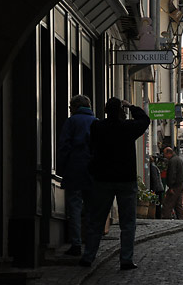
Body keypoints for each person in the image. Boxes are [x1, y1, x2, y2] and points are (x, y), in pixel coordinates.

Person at [79, 98, 150, 270]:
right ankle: (126, 259)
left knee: (96, 220)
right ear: (121, 111)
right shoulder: (128, 128)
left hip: (102, 178)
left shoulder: (97, 127)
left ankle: (88, 256)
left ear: (105, 111)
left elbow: (90, 146)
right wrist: (131, 106)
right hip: (126, 179)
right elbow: (145, 120)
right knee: (128, 223)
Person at [57, 94, 96, 256]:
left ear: (74, 107)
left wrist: (62, 167)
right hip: (93, 171)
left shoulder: (71, 121)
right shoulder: (96, 122)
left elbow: (64, 146)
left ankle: (76, 244)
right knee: (91, 209)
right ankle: (91, 244)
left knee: (74, 206)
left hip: (74, 169)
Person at [161, 146, 183, 219]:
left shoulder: (173, 161)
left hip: (175, 186)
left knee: (167, 204)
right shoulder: (178, 159)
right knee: (178, 205)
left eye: (165, 154)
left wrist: (171, 186)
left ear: (168, 153)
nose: (164, 156)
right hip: (180, 185)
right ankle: (181, 219)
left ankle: (165, 219)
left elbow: (172, 174)